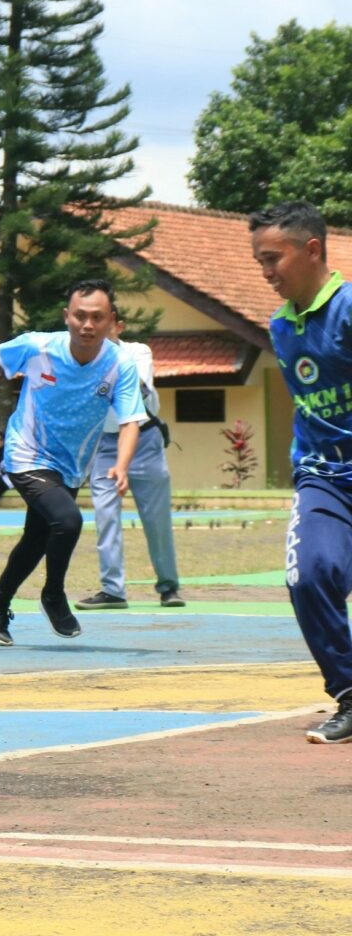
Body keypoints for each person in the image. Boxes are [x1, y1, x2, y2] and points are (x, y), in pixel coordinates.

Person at [0, 279, 146, 646]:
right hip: (26, 452)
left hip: (71, 464)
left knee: (38, 538)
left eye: (97, 317)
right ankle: (53, 595)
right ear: (66, 317)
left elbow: (130, 420)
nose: (87, 325)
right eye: (80, 316)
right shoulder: (38, 346)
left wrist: (121, 464)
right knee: (68, 521)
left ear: (111, 322)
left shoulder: (120, 364)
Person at [250, 200, 352, 744]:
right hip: (324, 476)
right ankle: (349, 693)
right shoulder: (279, 327)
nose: (266, 272)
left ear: (312, 249)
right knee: (308, 575)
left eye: (273, 258)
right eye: (259, 261)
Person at [75, 314, 185, 610]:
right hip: (105, 444)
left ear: (118, 326)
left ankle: (168, 586)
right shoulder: (80, 359)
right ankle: (112, 590)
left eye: (102, 322)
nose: (94, 329)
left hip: (144, 440)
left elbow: (136, 388)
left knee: (156, 518)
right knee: (105, 515)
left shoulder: (137, 351)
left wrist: (105, 358)